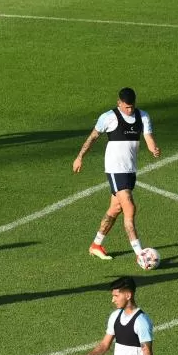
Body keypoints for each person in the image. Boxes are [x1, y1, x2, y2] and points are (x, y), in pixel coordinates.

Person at [73, 87, 160, 261]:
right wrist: (80, 157)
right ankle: (140, 254)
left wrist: (154, 149)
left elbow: (148, 137)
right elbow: (93, 137)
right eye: (126, 107)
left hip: (130, 169)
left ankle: (96, 244)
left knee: (115, 208)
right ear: (119, 103)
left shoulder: (143, 116)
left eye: (132, 106)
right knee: (129, 207)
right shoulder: (108, 117)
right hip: (114, 168)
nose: (130, 110)